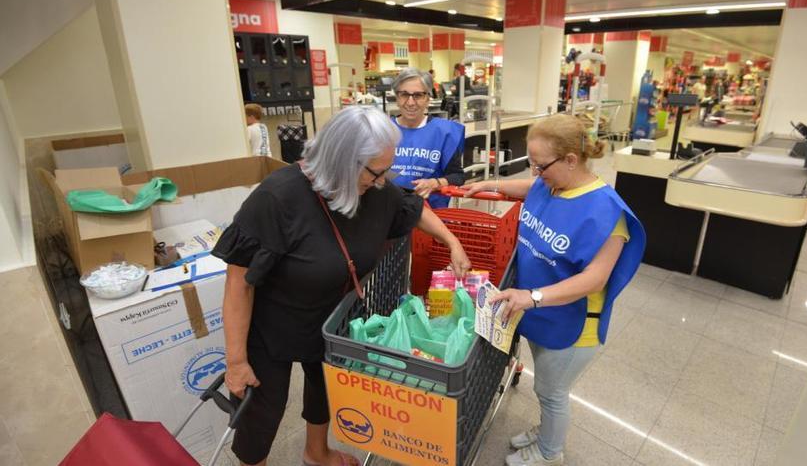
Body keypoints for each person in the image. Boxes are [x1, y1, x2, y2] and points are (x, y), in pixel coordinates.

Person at [214, 106, 472, 466]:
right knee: (263, 409)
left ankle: (316, 452)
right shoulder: (277, 198)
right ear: (343, 161)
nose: (383, 181)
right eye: (376, 172)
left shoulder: (375, 189)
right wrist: (236, 360)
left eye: (387, 171)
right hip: (272, 325)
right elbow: (238, 283)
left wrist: (451, 241)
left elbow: (410, 207)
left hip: (330, 318)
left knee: (323, 387)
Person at [463, 114, 645, 466]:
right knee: (545, 387)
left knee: (552, 391)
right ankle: (547, 430)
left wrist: (531, 298)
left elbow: (594, 280)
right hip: (542, 312)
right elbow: (530, 190)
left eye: (539, 165)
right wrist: (489, 184)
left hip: (573, 323)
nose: (535, 173)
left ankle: (550, 452)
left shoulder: (608, 214)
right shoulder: (552, 184)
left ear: (571, 160)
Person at [389, 68, 465, 208]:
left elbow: (458, 176)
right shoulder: (381, 130)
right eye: (404, 94)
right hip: (387, 215)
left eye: (418, 95)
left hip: (430, 215)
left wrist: (434, 183)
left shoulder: (445, 133)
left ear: (428, 99)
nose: (410, 102)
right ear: (397, 98)